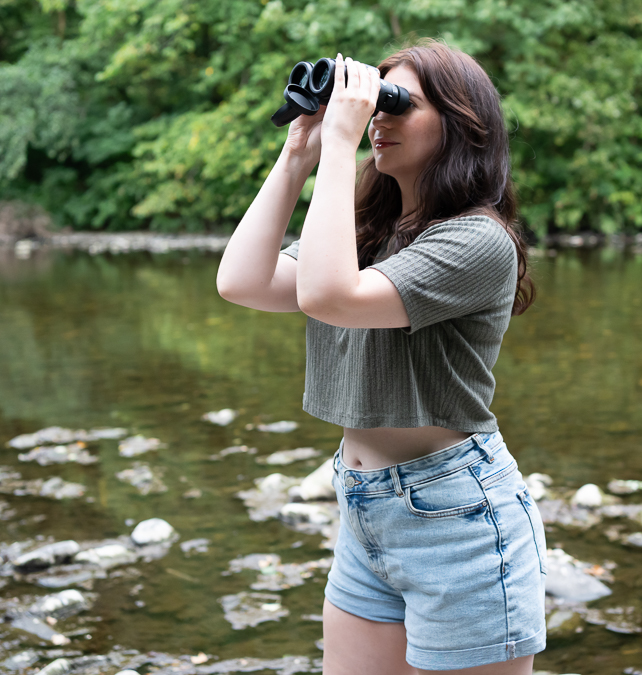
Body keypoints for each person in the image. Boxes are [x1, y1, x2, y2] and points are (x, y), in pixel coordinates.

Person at [217, 40, 545, 675]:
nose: (377, 119)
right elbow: (243, 282)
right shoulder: (368, 235)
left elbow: (329, 295)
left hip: (457, 520)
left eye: (399, 104)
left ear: (461, 127)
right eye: (375, 104)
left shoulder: (478, 241)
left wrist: (340, 147)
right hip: (364, 509)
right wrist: (298, 155)